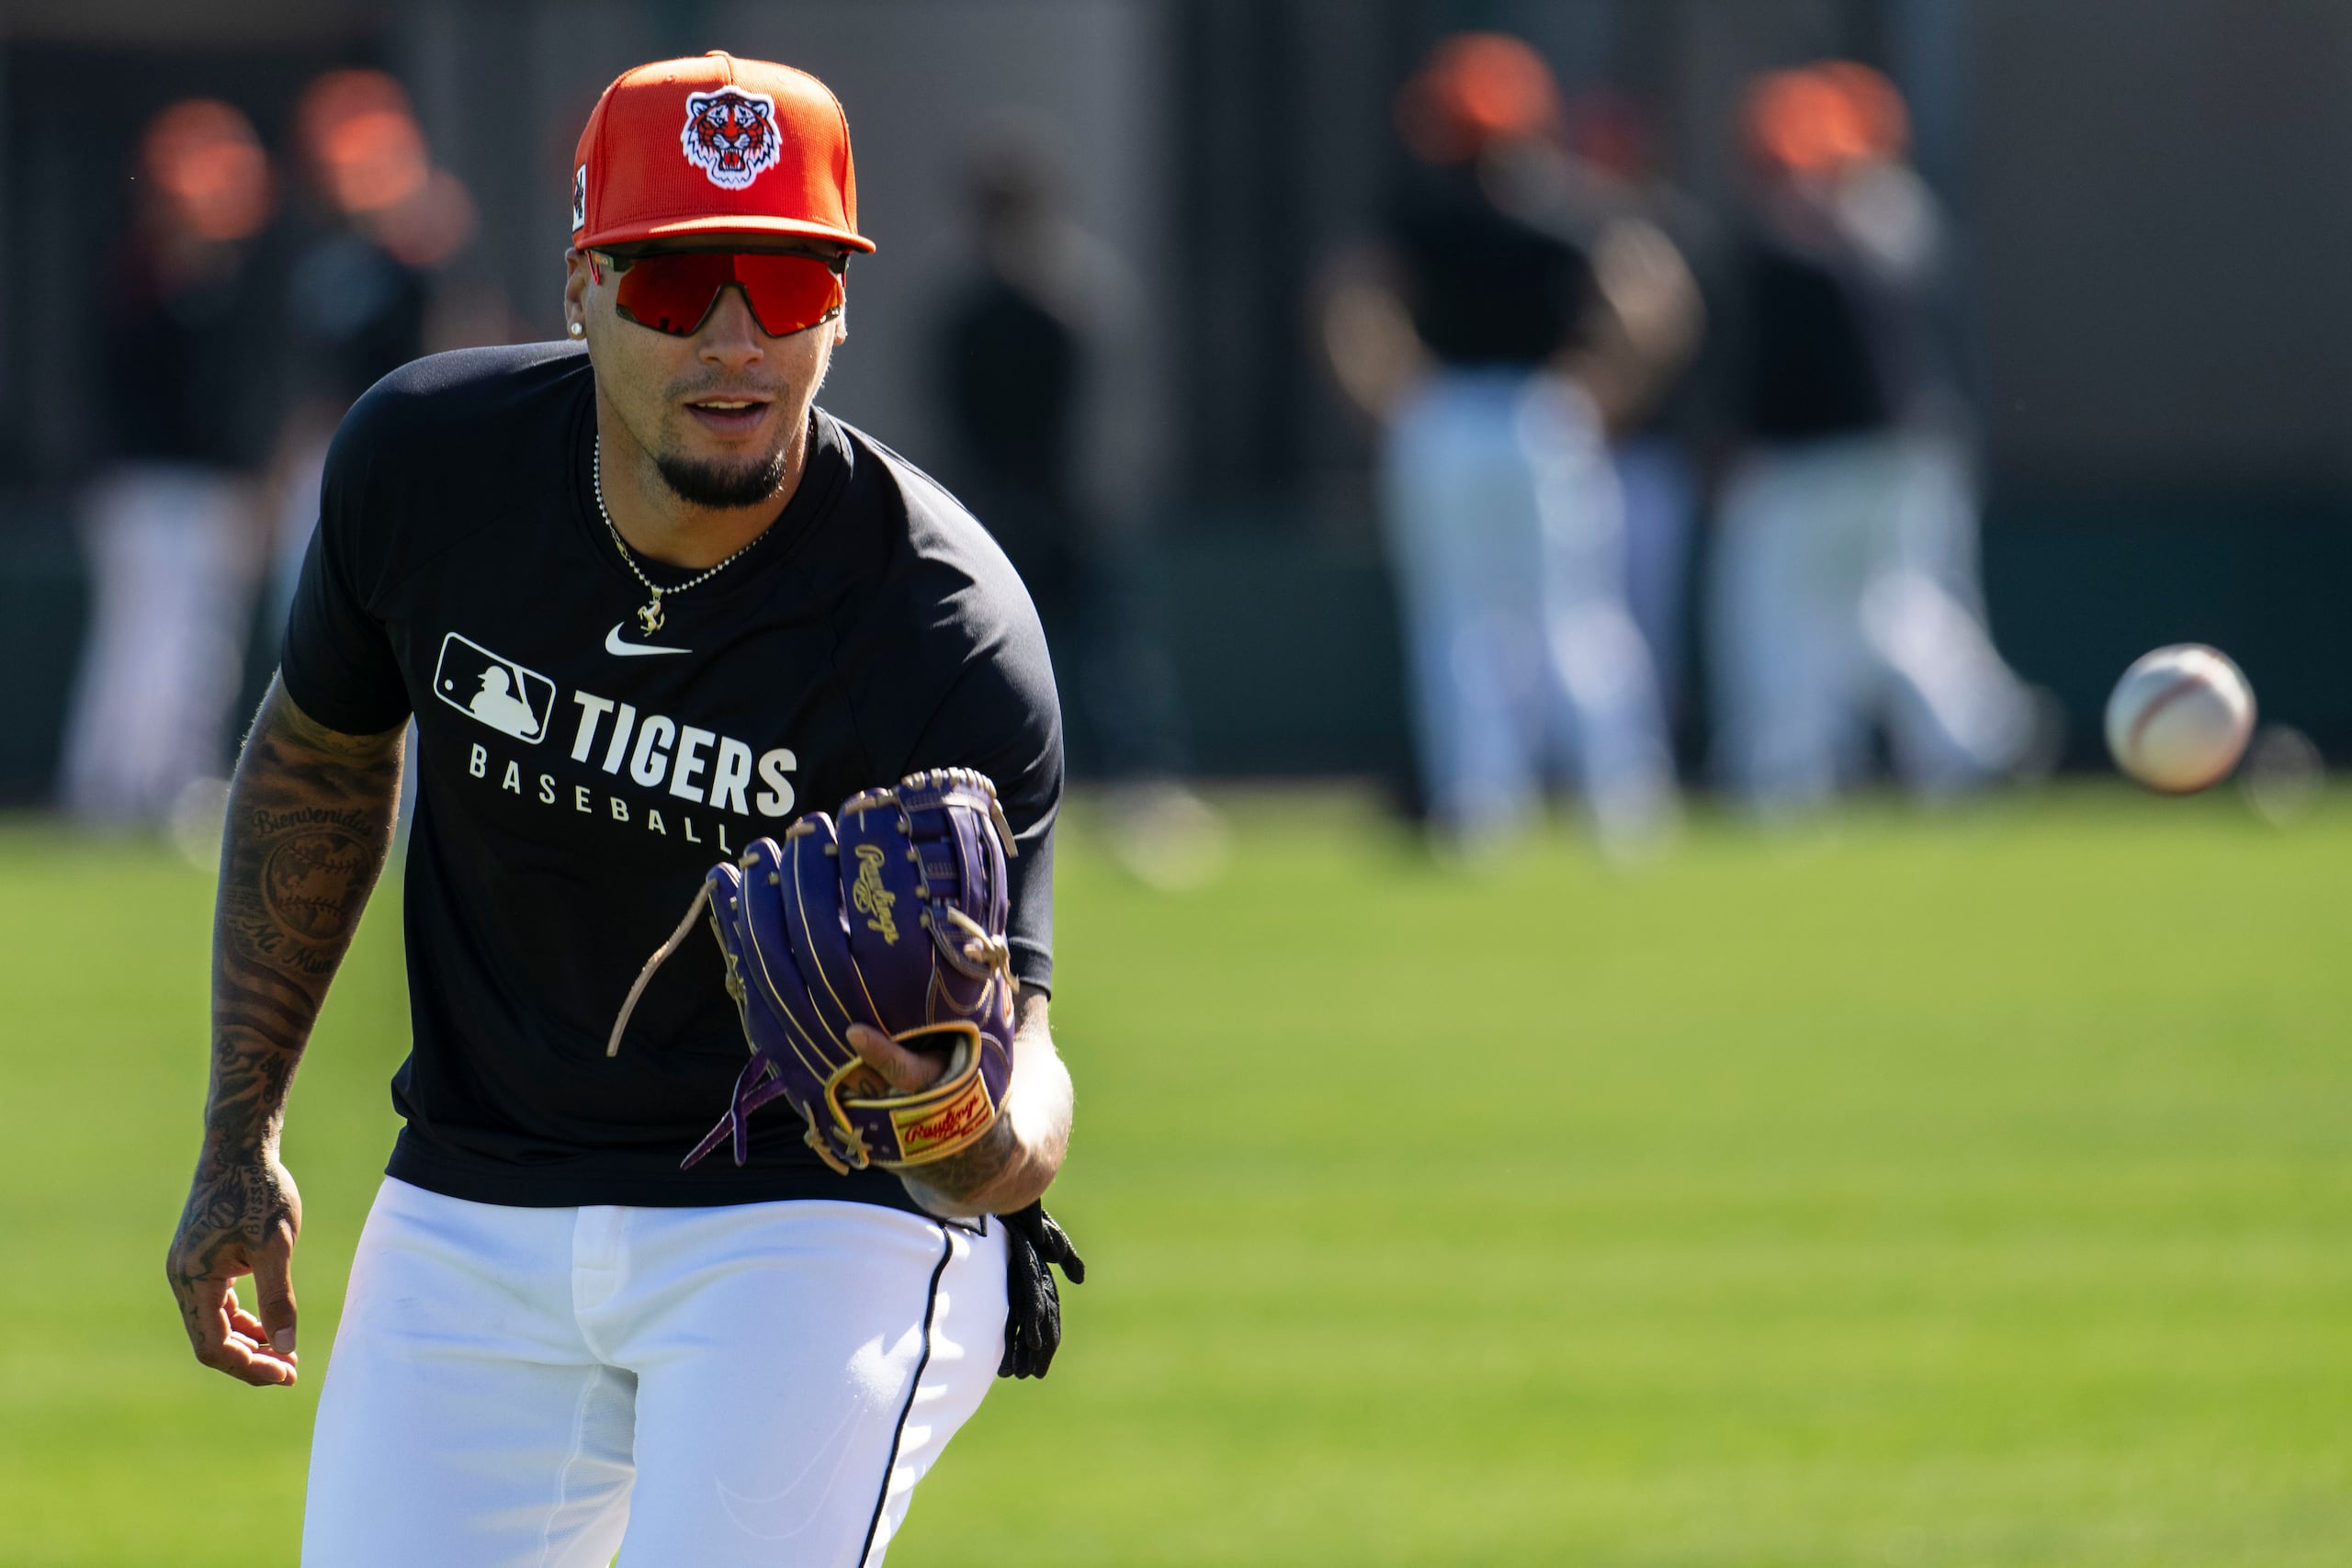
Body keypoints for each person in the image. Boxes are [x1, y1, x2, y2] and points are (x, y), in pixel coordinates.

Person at [162, 52, 1077, 1566]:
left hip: (808, 1218)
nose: (734, 341)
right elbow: (320, 755)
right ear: (582, 287)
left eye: (786, 284)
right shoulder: (430, 466)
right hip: (476, 1193)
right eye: (675, 286)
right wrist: (235, 1133)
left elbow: (1028, 1077)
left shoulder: (938, 624)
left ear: (839, 308)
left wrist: (964, 1122)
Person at [1321, 33, 1694, 859]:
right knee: (1578, 614)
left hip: (1448, 418)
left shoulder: (1418, 207)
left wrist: (1392, 400)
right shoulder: (1567, 202)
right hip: (1544, 417)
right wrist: (1602, 391)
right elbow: (1656, 301)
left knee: (1459, 622)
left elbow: (1350, 302)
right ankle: (1627, 804)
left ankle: (1480, 811)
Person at [1708, 62, 2038, 812]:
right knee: (1894, 608)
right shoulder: (1896, 225)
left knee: (1786, 619)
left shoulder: (1833, 241)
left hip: (1826, 464)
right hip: (1897, 457)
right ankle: (1973, 740)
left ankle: (1796, 772)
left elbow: (1783, 363)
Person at [58, 99, 277, 825]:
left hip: (213, 487)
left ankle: (174, 782)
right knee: (143, 642)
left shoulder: (248, 275)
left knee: (201, 647)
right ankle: (111, 787)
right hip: (147, 484)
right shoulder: (137, 265)